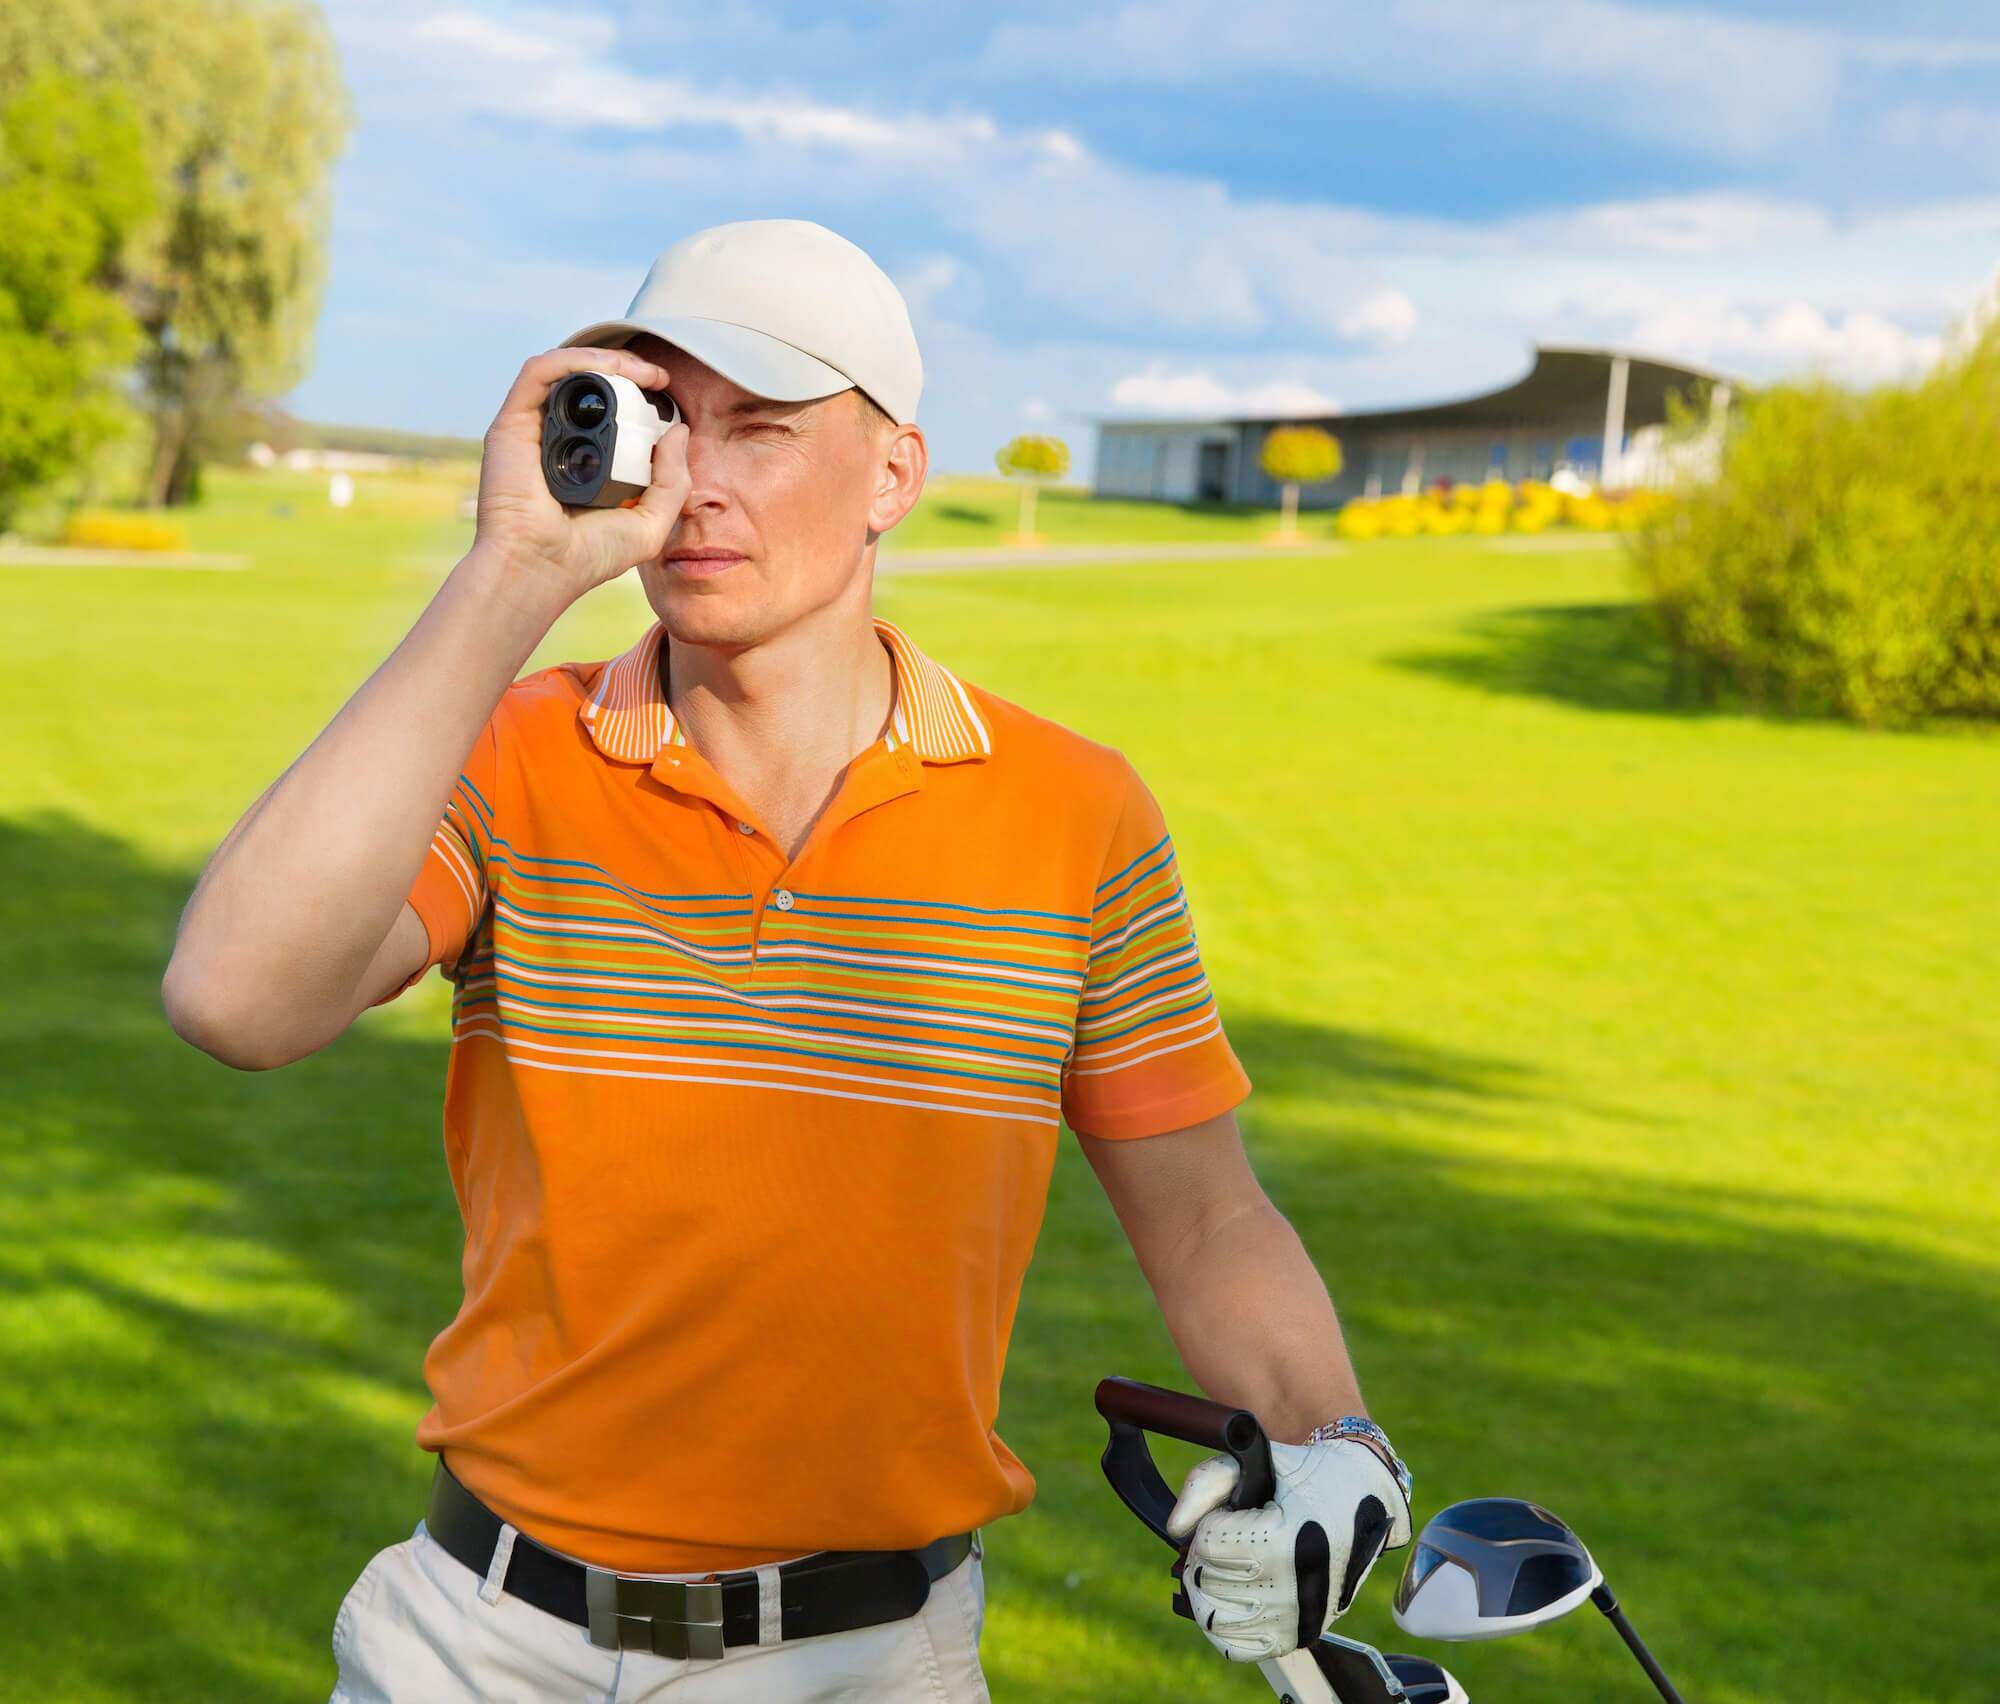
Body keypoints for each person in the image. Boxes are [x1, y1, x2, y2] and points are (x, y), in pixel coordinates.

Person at [161, 218, 1411, 1701]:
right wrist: (511, 571)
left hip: (866, 1667)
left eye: (760, 429)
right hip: (477, 1646)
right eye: (666, 424)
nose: (698, 484)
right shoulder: (515, 754)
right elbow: (235, 998)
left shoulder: (1076, 815)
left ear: (895, 473)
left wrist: (1345, 1449)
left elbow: (1207, 1222)